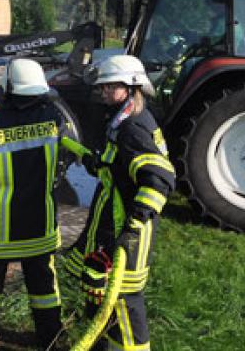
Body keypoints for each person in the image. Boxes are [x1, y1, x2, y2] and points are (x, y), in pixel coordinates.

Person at [65, 54, 175, 351]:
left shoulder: (133, 128)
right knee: (99, 288)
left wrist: (134, 224)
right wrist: (95, 161)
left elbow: (160, 179)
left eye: (110, 86)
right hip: (112, 220)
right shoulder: (122, 119)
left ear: (131, 87)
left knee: (124, 297)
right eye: (102, 86)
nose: (103, 91)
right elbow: (120, 165)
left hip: (125, 226)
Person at [0, 58, 65, 349]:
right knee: (44, 285)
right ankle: (51, 338)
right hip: (40, 224)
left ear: (9, 86)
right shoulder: (54, 118)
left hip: (1, 227)